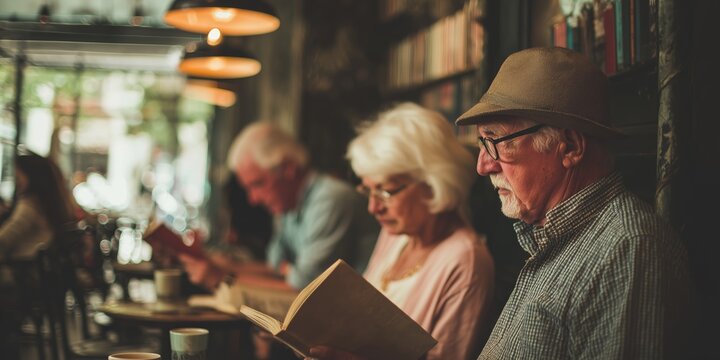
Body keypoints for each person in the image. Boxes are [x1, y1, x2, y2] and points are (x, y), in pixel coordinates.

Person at [451, 47, 689, 359]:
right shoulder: (555, 237)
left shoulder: (629, 251)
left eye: (497, 142)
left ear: (571, 147)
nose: (483, 165)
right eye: (482, 143)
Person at [346, 102, 495, 360]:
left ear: (433, 183)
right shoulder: (396, 234)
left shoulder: (465, 260)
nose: (373, 207)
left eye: (385, 191)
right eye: (368, 190)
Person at [179, 122, 379, 292]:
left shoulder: (331, 200)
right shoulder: (288, 203)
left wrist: (222, 278)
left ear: (288, 170)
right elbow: (275, 270)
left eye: (257, 184)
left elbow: (303, 289)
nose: (253, 199)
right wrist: (220, 265)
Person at [0, 152, 77, 261]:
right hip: (41, 267)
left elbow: (5, 238)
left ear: (31, 175)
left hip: (23, 269)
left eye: (18, 176)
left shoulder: (30, 205)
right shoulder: (49, 202)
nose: (16, 180)